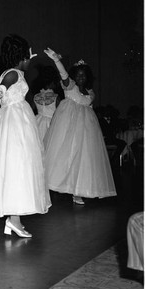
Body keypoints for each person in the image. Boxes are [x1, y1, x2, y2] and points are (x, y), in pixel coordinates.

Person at [0, 35, 51, 238]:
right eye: (28, 56)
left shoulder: (15, 72)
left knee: (18, 168)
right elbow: (1, 89)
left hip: (17, 120)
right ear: (21, 56)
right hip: (15, 122)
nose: (30, 60)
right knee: (17, 167)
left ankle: (14, 219)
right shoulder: (13, 74)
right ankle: (13, 219)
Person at [44, 49, 116, 204]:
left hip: (86, 128)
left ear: (88, 77)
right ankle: (51, 185)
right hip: (68, 125)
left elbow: (89, 106)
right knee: (64, 156)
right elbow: (64, 76)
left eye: (83, 75)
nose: (81, 77)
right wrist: (57, 61)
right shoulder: (70, 87)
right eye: (78, 75)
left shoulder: (90, 92)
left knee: (84, 159)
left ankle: (78, 191)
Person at [33, 67, 59, 142]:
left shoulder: (36, 96)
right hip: (51, 124)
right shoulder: (56, 97)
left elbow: (31, 112)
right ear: (53, 82)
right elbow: (60, 113)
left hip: (38, 122)